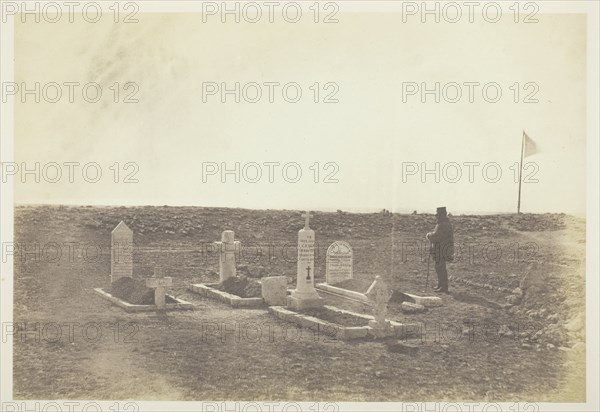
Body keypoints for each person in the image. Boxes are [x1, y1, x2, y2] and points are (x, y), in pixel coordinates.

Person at [426, 207, 454, 293]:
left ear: (442, 215)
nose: (437, 217)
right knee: (439, 267)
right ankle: (441, 285)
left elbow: (436, 236)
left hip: (442, 250)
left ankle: (443, 287)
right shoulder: (443, 223)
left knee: (440, 268)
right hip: (441, 249)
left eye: (438, 215)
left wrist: (429, 235)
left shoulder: (443, 224)